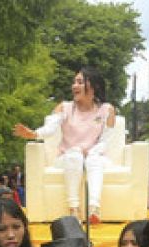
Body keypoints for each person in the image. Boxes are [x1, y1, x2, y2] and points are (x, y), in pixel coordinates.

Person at [13, 67, 116, 224]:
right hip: (67, 157)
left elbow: (106, 141)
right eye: (74, 82)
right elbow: (50, 128)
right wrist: (34, 134)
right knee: (75, 154)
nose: (74, 86)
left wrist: (91, 152)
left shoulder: (106, 110)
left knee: (93, 159)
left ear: (94, 87)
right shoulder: (64, 107)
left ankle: (94, 208)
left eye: (80, 82)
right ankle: (73, 209)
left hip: (95, 157)